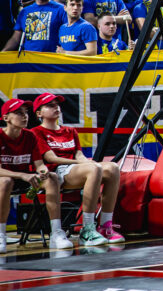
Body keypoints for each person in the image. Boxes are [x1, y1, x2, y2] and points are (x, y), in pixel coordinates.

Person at [32, 92, 123, 243]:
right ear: (39, 113)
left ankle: (105, 226)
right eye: (50, 106)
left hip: (74, 169)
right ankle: (87, 229)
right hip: (55, 172)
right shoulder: (36, 132)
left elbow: (79, 155)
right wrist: (85, 164)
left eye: (57, 105)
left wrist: (88, 162)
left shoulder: (70, 131)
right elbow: (51, 158)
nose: (56, 108)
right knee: (94, 169)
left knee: (112, 168)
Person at [0, 98, 70, 251]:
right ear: (6, 118)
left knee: (52, 177)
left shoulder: (30, 136)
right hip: (6, 179)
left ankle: (56, 233)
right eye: (19, 113)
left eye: (25, 113)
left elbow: (39, 164)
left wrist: (43, 171)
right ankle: (1, 235)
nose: (25, 116)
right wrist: (22, 175)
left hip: (23, 178)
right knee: (5, 181)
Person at [4, 0, 68, 52]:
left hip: (52, 57)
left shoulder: (62, 9)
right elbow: (15, 39)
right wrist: (3, 52)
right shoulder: (25, 12)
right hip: (29, 57)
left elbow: (71, 32)